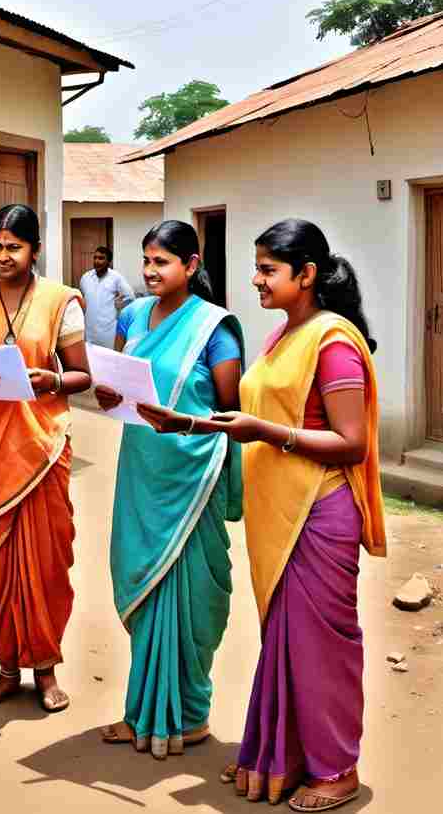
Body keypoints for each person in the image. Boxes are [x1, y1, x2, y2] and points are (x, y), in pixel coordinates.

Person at [141, 219, 386, 810]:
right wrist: (190, 423)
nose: (255, 279)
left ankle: (338, 768)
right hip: (278, 513)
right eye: (257, 267)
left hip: (319, 513)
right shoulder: (284, 334)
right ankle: (286, 755)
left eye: (268, 269)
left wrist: (264, 432)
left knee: (321, 646)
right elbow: (250, 417)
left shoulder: (331, 341)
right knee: (287, 641)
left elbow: (351, 442)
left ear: (306, 275)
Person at [94, 220, 243, 760]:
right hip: (141, 470)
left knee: (195, 594)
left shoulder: (215, 329)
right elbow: (115, 382)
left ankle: (189, 714)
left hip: (193, 474)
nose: (152, 271)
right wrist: (108, 394)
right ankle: (144, 714)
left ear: (192, 265)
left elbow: (230, 412)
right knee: (143, 583)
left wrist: (180, 423)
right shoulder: (132, 315)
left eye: (163, 262)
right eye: (147, 260)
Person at [0, 204, 91, 712]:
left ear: (35, 249)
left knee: (45, 561)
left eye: (14, 247)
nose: (3, 256)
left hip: (41, 444)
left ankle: (46, 669)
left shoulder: (61, 301)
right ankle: (6, 669)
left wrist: (51, 379)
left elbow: (82, 374)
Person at [79, 245, 134, 347]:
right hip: (89, 331)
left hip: (108, 332)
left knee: (108, 359)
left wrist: (120, 308)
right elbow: (83, 298)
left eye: (101, 258)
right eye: (95, 258)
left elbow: (130, 297)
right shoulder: (86, 278)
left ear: (109, 262)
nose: (97, 261)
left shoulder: (116, 277)